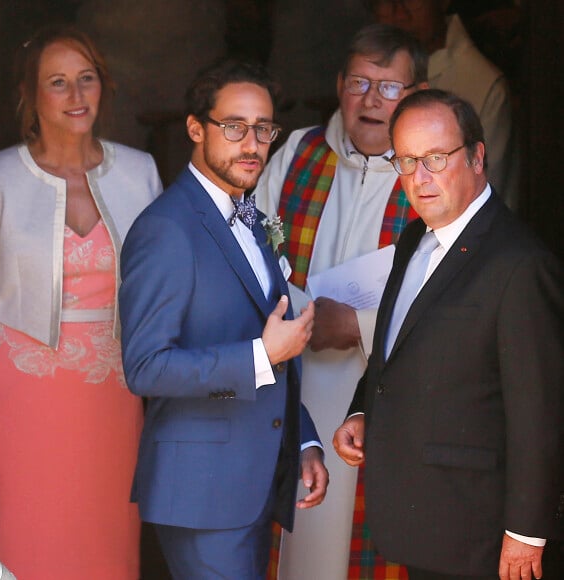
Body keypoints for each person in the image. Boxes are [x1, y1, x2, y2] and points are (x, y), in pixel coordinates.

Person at [333, 88, 564, 579]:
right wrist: (362, 409)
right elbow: (396, 347)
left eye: (436, 158)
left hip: (478, 531)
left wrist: (526, 532)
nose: (420, 178)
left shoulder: (520, 264)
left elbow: (541, 412)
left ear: (478, 157)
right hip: (424, 518)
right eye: (407, 160)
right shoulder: (415, 237)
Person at [118, 58, 329, 579]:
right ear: (196, 128)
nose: (252, 143)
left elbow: (273, 326)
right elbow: (144, 367)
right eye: (234, 127)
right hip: (201, 493)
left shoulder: (254, 215)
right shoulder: (166, 229)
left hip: (254, 482)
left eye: (264, 128)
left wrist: (301, 440)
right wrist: (261, 356)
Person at [0, 26, 163, 579]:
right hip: (20, 399)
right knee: (26, 540)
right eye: (57, 83)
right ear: (30, 95)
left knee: (104, 543)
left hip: (113, 396)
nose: (76, 95)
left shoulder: (141, 172)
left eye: (86, 79)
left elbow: (162, 290)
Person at [253, 23, 428, 579]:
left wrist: (359, 325)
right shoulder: (295, 154)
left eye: (390, 87)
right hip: (295, 388)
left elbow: (455, 293)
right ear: (338, 86)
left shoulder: (428, 171)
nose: (372, 100)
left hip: (379, 398)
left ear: (416, 95)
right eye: (360, 82)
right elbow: (249, 249)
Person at [367, 0, 514, 206]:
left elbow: (490, 201)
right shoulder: (361, 86)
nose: (399, 14)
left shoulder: (485, 87)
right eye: (385, 2)